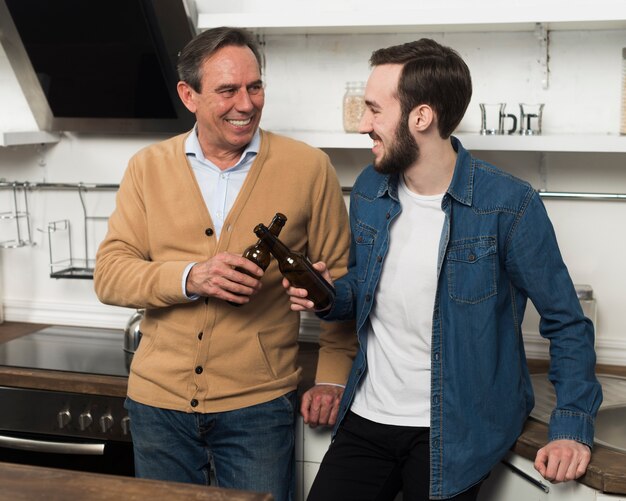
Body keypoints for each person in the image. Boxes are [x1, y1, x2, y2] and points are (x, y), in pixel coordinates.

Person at [285, 38, 602, 501]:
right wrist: (329, 295)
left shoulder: (508, 205)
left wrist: (573, 425)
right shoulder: (372, 189)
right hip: (368, 416)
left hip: (453, 429)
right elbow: (366, 287)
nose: (362, 125)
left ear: (421, 117)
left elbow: (567, 323)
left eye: (374, 109)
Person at [94, 27, 356, 501]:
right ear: (188, 95)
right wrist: (191, 277)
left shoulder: (309, 168)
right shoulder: (146, 167)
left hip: (259, 404)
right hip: (158, 404)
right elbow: (110, 274)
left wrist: (334, 376)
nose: (247, 103)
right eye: (227, 90)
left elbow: (339, 282)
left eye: (255, 87)